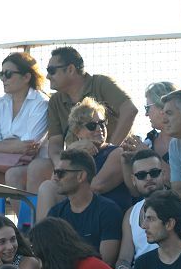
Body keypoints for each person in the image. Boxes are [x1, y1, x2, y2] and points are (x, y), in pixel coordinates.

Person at [28, 46, 137, 193]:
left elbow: (130, 110)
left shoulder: (101, 83)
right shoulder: (55, 100)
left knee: (91, 186)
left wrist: (109, 149)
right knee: (35, 170)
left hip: (113, 158)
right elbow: (54, 146)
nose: (47, 76)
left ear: (71, 69)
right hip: (77, 161)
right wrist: (62, 166)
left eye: (52, 70)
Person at [37, 97, 132, 214]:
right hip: (80, 209)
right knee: (47, 188)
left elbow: (97, 186)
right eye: (92, 126)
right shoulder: (76, 154)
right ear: (77, 131)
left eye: (102, 124)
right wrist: (72, 150)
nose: (99, 129)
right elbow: (56, 181)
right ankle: (43, 232)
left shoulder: (116, 152)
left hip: (107, 212)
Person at [0, 52, 47, 191]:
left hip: (34, 165)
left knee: (13, 175)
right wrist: (16, 145)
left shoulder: (41, 103)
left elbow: (30, 146)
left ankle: (26, 214)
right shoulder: (0, 104)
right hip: (6, 164)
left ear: (26, 77)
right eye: (1, 74)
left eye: (8, 74)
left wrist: (0, 145)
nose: (3, 78)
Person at [114, 148, 170, 269]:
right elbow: (124, 258)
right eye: (141, 175)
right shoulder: (131, 214)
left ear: (163, 174)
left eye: (154, 172)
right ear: (133, 180)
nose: (148, 178)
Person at [118, 82, 175, 194]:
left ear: (163, 107)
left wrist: (147, 153)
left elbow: (179, 183)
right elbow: (135, 191)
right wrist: (125, 162)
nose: (146, 114)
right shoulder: (149, 142)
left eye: (148, 108)